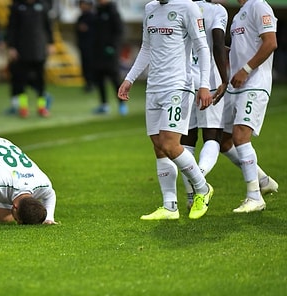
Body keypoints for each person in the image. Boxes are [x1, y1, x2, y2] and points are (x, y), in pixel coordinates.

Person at [117, 0, 215, 220]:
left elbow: (202, 46)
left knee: (170, 144)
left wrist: (204, 85)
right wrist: (129, 79)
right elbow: (146, 47)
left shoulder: (188, 7)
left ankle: (202, 188)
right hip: (154, 87)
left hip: (178, 86)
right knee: (158, 146)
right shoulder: (150, 8)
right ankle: (169, 206)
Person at [219, 0, 278, 213]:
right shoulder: (239, 14)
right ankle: (262, 180)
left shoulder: (259, 6)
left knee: (240, 136)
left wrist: (245, 68)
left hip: (254, 83)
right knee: (222, 140)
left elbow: (270, 42)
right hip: (236, 85)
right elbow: (242, 48)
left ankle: (255, 197)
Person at [179, 0, 229, 210]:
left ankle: (191, 199)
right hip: (208, 79)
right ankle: (199, 180)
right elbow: (217, 43)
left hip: (184, 79)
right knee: (212, 136)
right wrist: (224, 78)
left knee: (186, 140)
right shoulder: (217, 10)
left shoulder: (181, 7)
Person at [6, 0, 54, 118]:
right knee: (21, 81)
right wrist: (12, 46)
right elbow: (12, 27)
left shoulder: (42, 6)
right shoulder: (17, 7)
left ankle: (42, 107)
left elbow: (48, 25)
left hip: (39, 49)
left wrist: (50, 43)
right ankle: (23, 108)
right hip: (22, 50)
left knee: (40, 81)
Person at [92, 0, 127, 116]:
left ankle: (121, 103)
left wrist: (113, 47)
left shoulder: (113, 12)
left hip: (111, 53)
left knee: (114, 78)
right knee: (99, 78)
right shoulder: (97, 12)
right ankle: (104, 104)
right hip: (98, 52)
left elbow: (119, 31)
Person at [75, 0, 96, 93]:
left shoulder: (93, 17)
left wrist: (87, 29)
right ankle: (87, 83)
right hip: (83, 46)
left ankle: (92, 83)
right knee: (85, 65)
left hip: (92, 46)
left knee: (91, 65)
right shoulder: (80, 17)